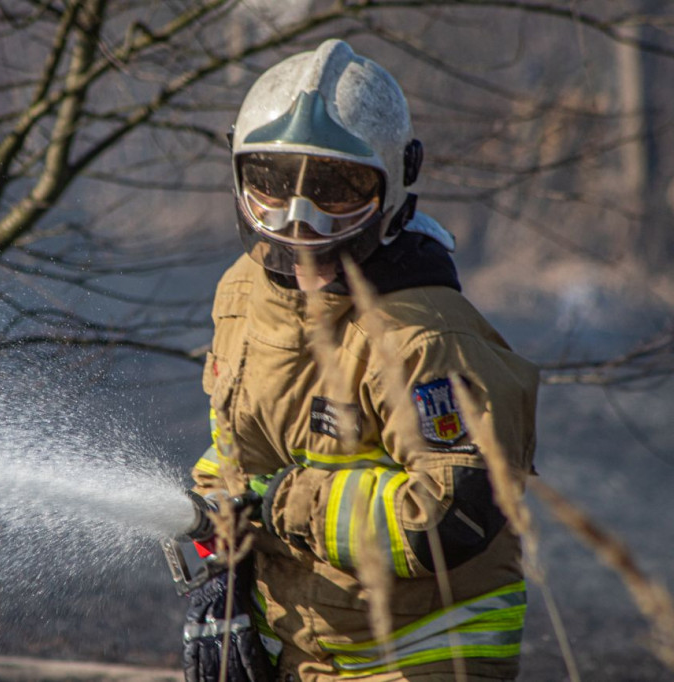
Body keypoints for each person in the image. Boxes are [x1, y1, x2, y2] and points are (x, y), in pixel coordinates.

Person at [181, 39, 539, 682]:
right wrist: (220, 559)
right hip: (299, 650)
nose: (300, 220)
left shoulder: (424, 338)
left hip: (423, 658)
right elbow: (237, 449)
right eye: (270, 184)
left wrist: (282, 504)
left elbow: (452, 513)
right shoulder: (242, 293)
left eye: (337, 191)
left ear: (397, 181)